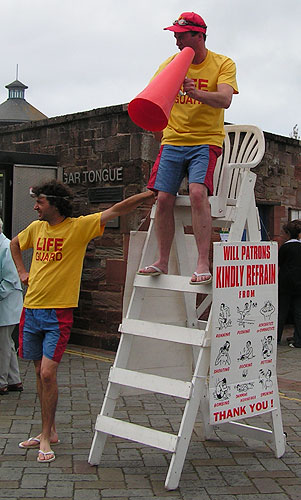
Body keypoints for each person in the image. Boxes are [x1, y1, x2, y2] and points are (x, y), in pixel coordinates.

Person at [10, 179, 155, 463]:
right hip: (31, 309)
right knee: (40, 374)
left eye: (39, 203)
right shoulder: (36, 228)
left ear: (54, 203)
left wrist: (147, 194)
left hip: (58, 313)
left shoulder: (77, 228)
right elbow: (15, 243)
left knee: (48, 374)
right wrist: (21, 272)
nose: (35, 207)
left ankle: (45, 435)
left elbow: (116, 210)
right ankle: (48, 432)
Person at [138, 11, 238, 284]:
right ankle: (162, 261)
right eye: (175, 36)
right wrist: (162, 134)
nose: (176, 42)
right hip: (173, 141)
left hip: (205, 140)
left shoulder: (222, 63)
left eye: (181, 36)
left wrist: (196, 93)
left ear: (199, 35)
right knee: (163, 198)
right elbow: (156, 99)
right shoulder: (170, 64)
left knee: (196, 193)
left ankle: (203, 263)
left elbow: (225, 99)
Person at [0, 218, 23, 395]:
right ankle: (14, 380)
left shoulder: (6, 246)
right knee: (7, 343)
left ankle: (1, 382)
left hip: (6, 304)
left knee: (3, 344)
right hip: (6, 303)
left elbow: (9, 280)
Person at [277, 219, 301, 347]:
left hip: (285, 283)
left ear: (287, 233)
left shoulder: (285, 247)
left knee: (282, 311)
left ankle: (275, 338)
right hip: (300, 284)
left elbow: (279, 263)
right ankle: (299, 340)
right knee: (299, 312)